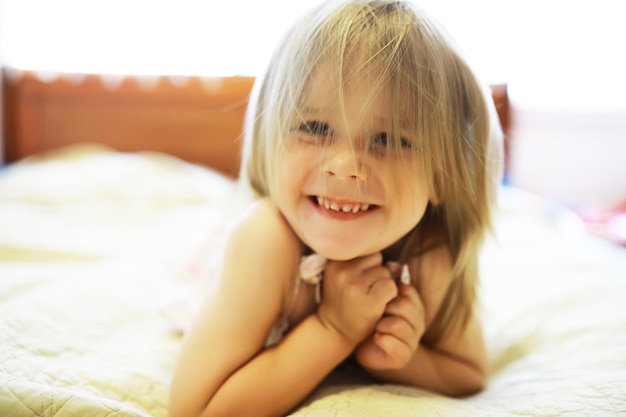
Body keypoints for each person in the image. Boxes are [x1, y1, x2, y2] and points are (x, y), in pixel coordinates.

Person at [168, 0, 503, 416]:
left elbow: (467, 371)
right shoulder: (265, 241)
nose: (345, 168)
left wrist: (398, 359)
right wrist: (334, 330)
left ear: (442, 175)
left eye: (388, 139)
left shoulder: (426, 254)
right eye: (315, 128)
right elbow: (195, 409)